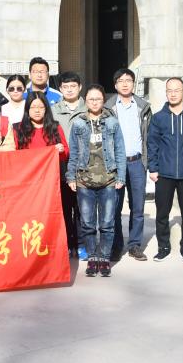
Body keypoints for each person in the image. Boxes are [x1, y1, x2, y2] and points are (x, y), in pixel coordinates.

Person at [67, 84, 126, 277]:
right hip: (84, 181)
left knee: (107, 223)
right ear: (86, 101)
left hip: (108, 180)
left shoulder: (112, 122)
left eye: (98, 99)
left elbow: (120, 150)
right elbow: (74, 153)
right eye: (91, 99)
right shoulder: (78, 124)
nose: (94, 102)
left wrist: (121, 176)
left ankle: (104, 258)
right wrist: (71, 176)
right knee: (87, 223)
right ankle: (93, 257)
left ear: (103, 100)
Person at [148, 77, 183, 264]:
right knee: (162, 214)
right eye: (169, 90)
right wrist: (153, 168)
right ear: (166, 93)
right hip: (164, 174)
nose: (173, 94)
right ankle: (163, 248)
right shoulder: (158, 117)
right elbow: (152, 144)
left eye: (177, 90)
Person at [105, 68, 152, 262]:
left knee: (138, 207)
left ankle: (134, 245)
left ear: (134, 84)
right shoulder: (108, 108)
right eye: (121, 80)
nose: (125, 84)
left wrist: (148, 162)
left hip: (137, 162)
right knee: (115, 207)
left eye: (128, 80)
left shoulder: (143, 107)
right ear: (115, 85)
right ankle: (116, 246)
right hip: (116, 164)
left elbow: (149, 136)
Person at [52, 72, 87, 259]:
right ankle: (67, 242)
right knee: (65, 207)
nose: (69, 90)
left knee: (81, 207)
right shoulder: (53, 110)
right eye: (65, 87)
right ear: (60, 89)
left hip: (84, 163)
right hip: (62, 163)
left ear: (80, 87)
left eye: (73, 86)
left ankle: (81, 243)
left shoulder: (88, 108)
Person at [14, 91, 69, 162]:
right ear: (27, 109)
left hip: (50, 168)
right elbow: (14, 154)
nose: (37, 110)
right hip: (27, 168)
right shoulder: (18, 128)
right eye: (33, 107)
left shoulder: (55, 127)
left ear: (46, 109)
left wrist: (61, 150)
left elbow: (66, 152)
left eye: (41, 107)